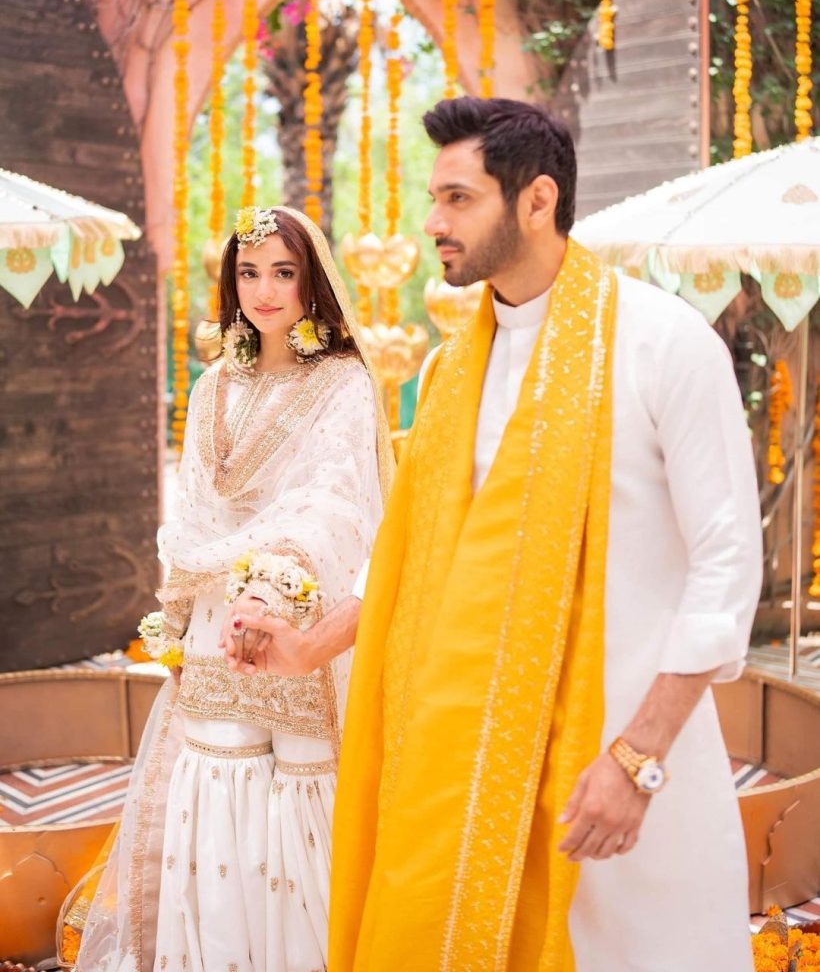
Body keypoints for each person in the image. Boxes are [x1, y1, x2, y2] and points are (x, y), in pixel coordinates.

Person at [228, 99, 762, 972]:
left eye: (458, 198)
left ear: (538, 200)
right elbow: (405, 553)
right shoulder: (450, 369)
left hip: (622, 769)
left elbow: (727, 564)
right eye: (434, 199)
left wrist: (637, 761)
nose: (433, 223)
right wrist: (307, 647)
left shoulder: (664, 346)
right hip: (468, 772)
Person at [74, 206, 392, 972]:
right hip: (219, 616)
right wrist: (185, 610)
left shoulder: (342, 383)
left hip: (295, 618)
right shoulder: (217, 383)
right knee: (213, 777)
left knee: (300, 789)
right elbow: (193, 508)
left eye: (283, 272)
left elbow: (336, 502)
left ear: (311, 279)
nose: (265, 290)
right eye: (249, 273)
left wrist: (270, 593)